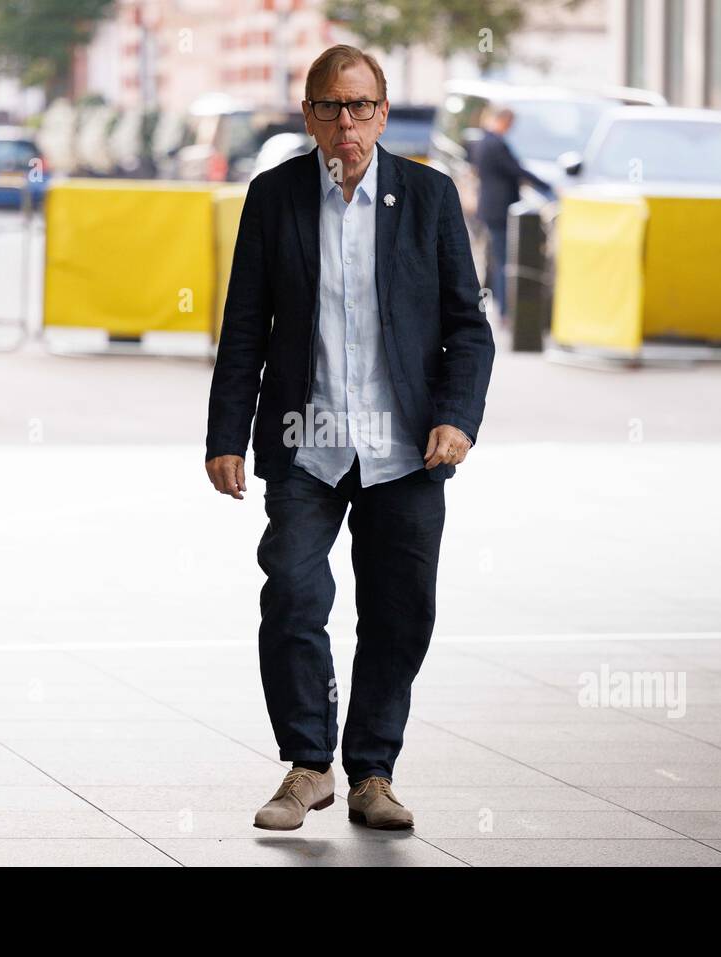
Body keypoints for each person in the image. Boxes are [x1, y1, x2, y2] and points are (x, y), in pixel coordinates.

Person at [204, 44, 495, 831]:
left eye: (361, 106)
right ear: (308, 115)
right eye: (330, 106)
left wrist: (456, 417)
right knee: (293, 594)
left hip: (406, 449)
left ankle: (373, 771)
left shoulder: (429, 198)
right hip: (308, 440)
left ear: (383, 113)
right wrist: (226, 433)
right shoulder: (274, 197)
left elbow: (469, 328)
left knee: (400, 611)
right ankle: (308, 764)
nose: (346, 123)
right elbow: (245, 326)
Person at [471, 106, 552, 323]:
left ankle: (504, 309)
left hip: (491, 209)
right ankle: (506, 311)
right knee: (505, 262)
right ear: (503, 120)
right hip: (500, 210)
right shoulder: (495, 144)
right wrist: (547, 187)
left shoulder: (483, 141)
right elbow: (516, 170)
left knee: (499, 260)